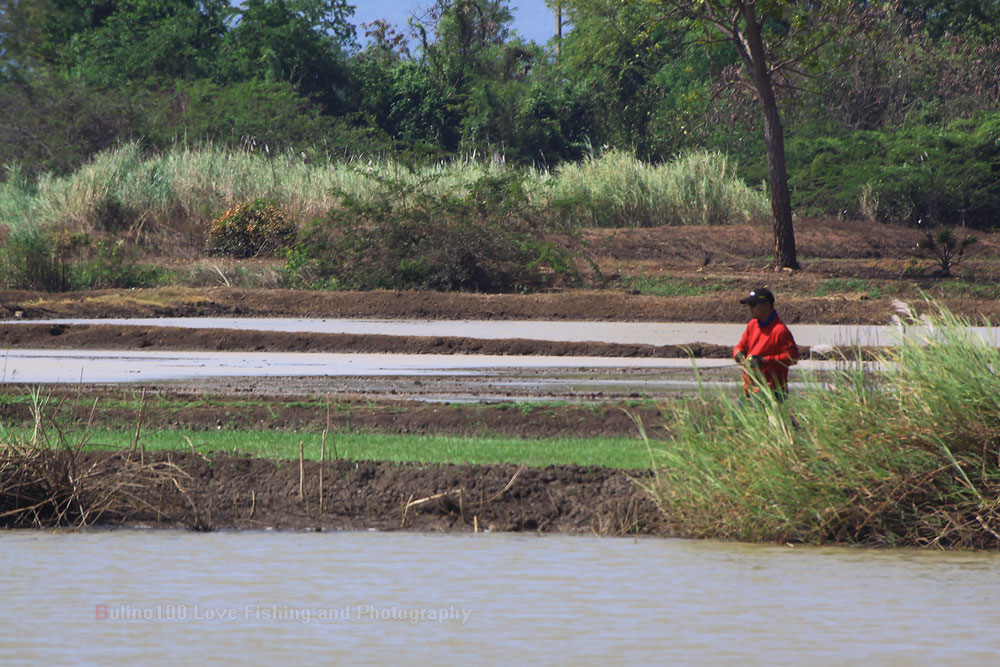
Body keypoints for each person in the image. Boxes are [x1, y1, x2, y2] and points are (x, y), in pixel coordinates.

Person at [733, 287, 798, 400]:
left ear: (767, 305)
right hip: (751, 389)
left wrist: (764, 361)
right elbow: (740, 346)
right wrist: (739, 354)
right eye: (749, 305)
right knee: (735, 417)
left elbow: (792, 358)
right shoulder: (752, 325)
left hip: (772, 392)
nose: (750, 309)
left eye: (753, 305)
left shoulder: (780, 330)